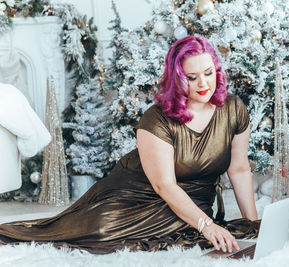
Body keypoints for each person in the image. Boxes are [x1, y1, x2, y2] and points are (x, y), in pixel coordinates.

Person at [0, 35, 259, 254]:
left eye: (208, 73)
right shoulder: (155, 118)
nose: (203, 83)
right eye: (192, 77)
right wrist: (206, 225)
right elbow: (164, 185)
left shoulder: (233, 109)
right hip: (135, 194)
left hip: (193, 199)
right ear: (178, 79)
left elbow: (238, 169)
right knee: (99, 232)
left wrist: (253, 224)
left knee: (184, 230)